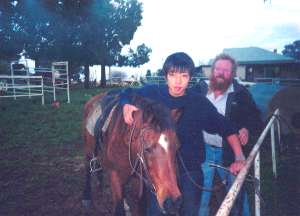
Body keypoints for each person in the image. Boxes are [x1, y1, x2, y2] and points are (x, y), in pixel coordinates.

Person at [120, 52, 246, 216]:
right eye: (172, 75)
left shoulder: (198, 102)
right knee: (156, 211)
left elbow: (225, 127)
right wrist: (125, 105)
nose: (178, 81)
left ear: (190, 77)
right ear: (166, 76)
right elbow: (126, 92)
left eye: (184, 76)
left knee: (190, 211)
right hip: (159, 168)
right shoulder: (152, 93)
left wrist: (239, 156)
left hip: (189, 169)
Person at [193, 53, 262, 216]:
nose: (220, 73)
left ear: (233, 74)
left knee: (236, 191)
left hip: (230, 152)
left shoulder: (241, 93)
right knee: (201, 193)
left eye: (226, 70)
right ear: (212, 70)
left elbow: (256, 117)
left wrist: (246, 128)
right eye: (217, 69)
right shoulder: (198, 90)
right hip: (202, 151)